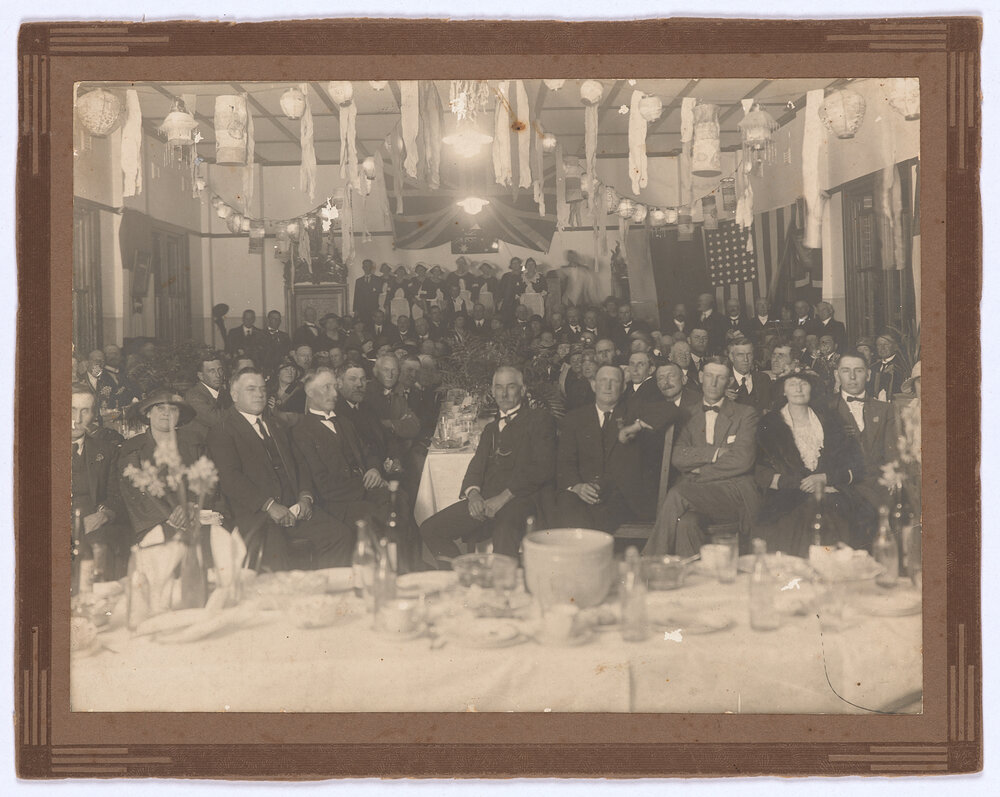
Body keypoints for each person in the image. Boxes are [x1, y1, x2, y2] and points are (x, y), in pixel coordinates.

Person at [208, 368, 351, 571]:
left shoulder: (276, 425)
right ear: (234, 395)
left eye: (262, 389)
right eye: (251, 389)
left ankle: (324, 598)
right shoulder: (222, 431)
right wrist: (269, 505)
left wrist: (305, 496)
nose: (259, 394)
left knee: (340, 536)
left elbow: (299, 463)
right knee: (277, 553)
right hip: (257, 515)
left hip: (294, 508)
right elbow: (231, 479)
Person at [419, 367, 555, 564]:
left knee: (504, 529)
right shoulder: (490, 428)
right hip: (486, 501)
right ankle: (464, 578)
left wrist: (502, 498)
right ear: (492, 391)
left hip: (523, 499)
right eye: (499, 387)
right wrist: (473, 495)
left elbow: (542, 467)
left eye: (511, 387)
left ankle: (504, 588)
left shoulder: (539, 419)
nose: (504, 393)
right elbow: (476, 466)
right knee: (431, 529)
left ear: (523, 390)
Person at [290, 368, 417, 571]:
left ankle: (404, 566)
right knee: (378, 514)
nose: (334, 393)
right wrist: (367, 487)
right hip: (336, 503)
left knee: (399, 498)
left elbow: (368, 454)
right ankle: (388, 571)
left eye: (335, 387)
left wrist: (375, 470)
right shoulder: (301, 432)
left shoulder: (345, 422)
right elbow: (322, 484)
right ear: (310, 393)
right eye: (327, 388)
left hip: (362, 491)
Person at [643, 358, 761, 557]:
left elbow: (742, 460)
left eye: (720, 377)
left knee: (677, 493)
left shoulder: (745, 414)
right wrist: (715, 453)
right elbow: (678, 456)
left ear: (729, 381)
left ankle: (650, 562)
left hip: (733, 494)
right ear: (700, 377)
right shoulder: (687, 414)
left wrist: (700, 470)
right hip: (698, 495)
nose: (713, 383)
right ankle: (694, 579)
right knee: (686, 523)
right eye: (709, 376)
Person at [755, 370, 866, 557]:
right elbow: (760, 469)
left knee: (836, 516)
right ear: (783, 390)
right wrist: (800, 484)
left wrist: (825, 478)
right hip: (787, 497)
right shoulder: (769, 423)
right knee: (798, 521)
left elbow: (855, 463)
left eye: (803, 384)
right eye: (792, 384)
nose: (798, 389)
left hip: (831, 492)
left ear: (811, 388)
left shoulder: (831, 420)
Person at [830, 351, 898, 546]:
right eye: (846, 371)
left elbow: (891, 454)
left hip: (879, 483)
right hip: (842, 485)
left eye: (858, 371)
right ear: (837, 375)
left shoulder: (885, 409)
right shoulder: (826, 408)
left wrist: (891, 478)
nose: (852, 377)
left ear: (868, 375)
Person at [71, 384, 125, 580]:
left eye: (84, 411)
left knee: (103, 545)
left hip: (94, 528)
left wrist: (104, 515)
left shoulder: (107, 451)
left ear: (94, 415)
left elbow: (116, 496)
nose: (76, 420)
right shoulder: (37, 448)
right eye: (71, 409)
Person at [184, 352, 232, 441]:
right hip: (200, 447)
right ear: (201, 376)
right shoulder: (193, 395)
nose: (218, 375)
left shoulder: (224, 393)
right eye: (212, 371)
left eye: (220, 370)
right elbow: (216, 420)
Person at [725, 337, 774, 414]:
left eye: (749, 354)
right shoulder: (723, 381)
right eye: (740, 355)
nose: (746, 359)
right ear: (731, 357)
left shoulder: (763, 378)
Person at [868, 332, 910, 401]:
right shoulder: (873, 368)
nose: (882, 348)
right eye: (879, 345)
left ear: (895, 346)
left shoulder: (903, 366)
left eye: (886, 344)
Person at [353, 259, 383, 324]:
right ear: (362, 267)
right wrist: (356, 310)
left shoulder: (378, 279)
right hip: (362, 309)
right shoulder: (358, 281)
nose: (366, 268)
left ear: (371, 267)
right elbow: (356, 296)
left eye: (368, 266)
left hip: (374, 308)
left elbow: (380, 294)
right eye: (365, 266)